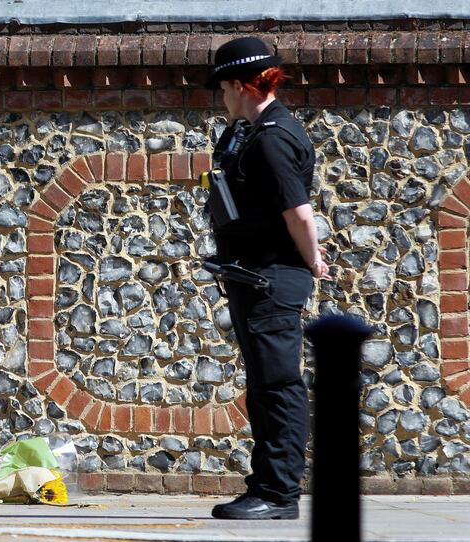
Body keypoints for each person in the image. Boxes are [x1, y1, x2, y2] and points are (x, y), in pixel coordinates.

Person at [203, 37, 331, 520]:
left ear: (240, 84)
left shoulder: (273, 137)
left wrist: (314, 259)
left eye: (224, 88)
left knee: (278, 386)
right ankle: (265, 486)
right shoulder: (249, 131)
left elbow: (298, 211)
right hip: (251, 275)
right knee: (263, 386)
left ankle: (279, 494)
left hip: (270, 278)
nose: (222, 97)